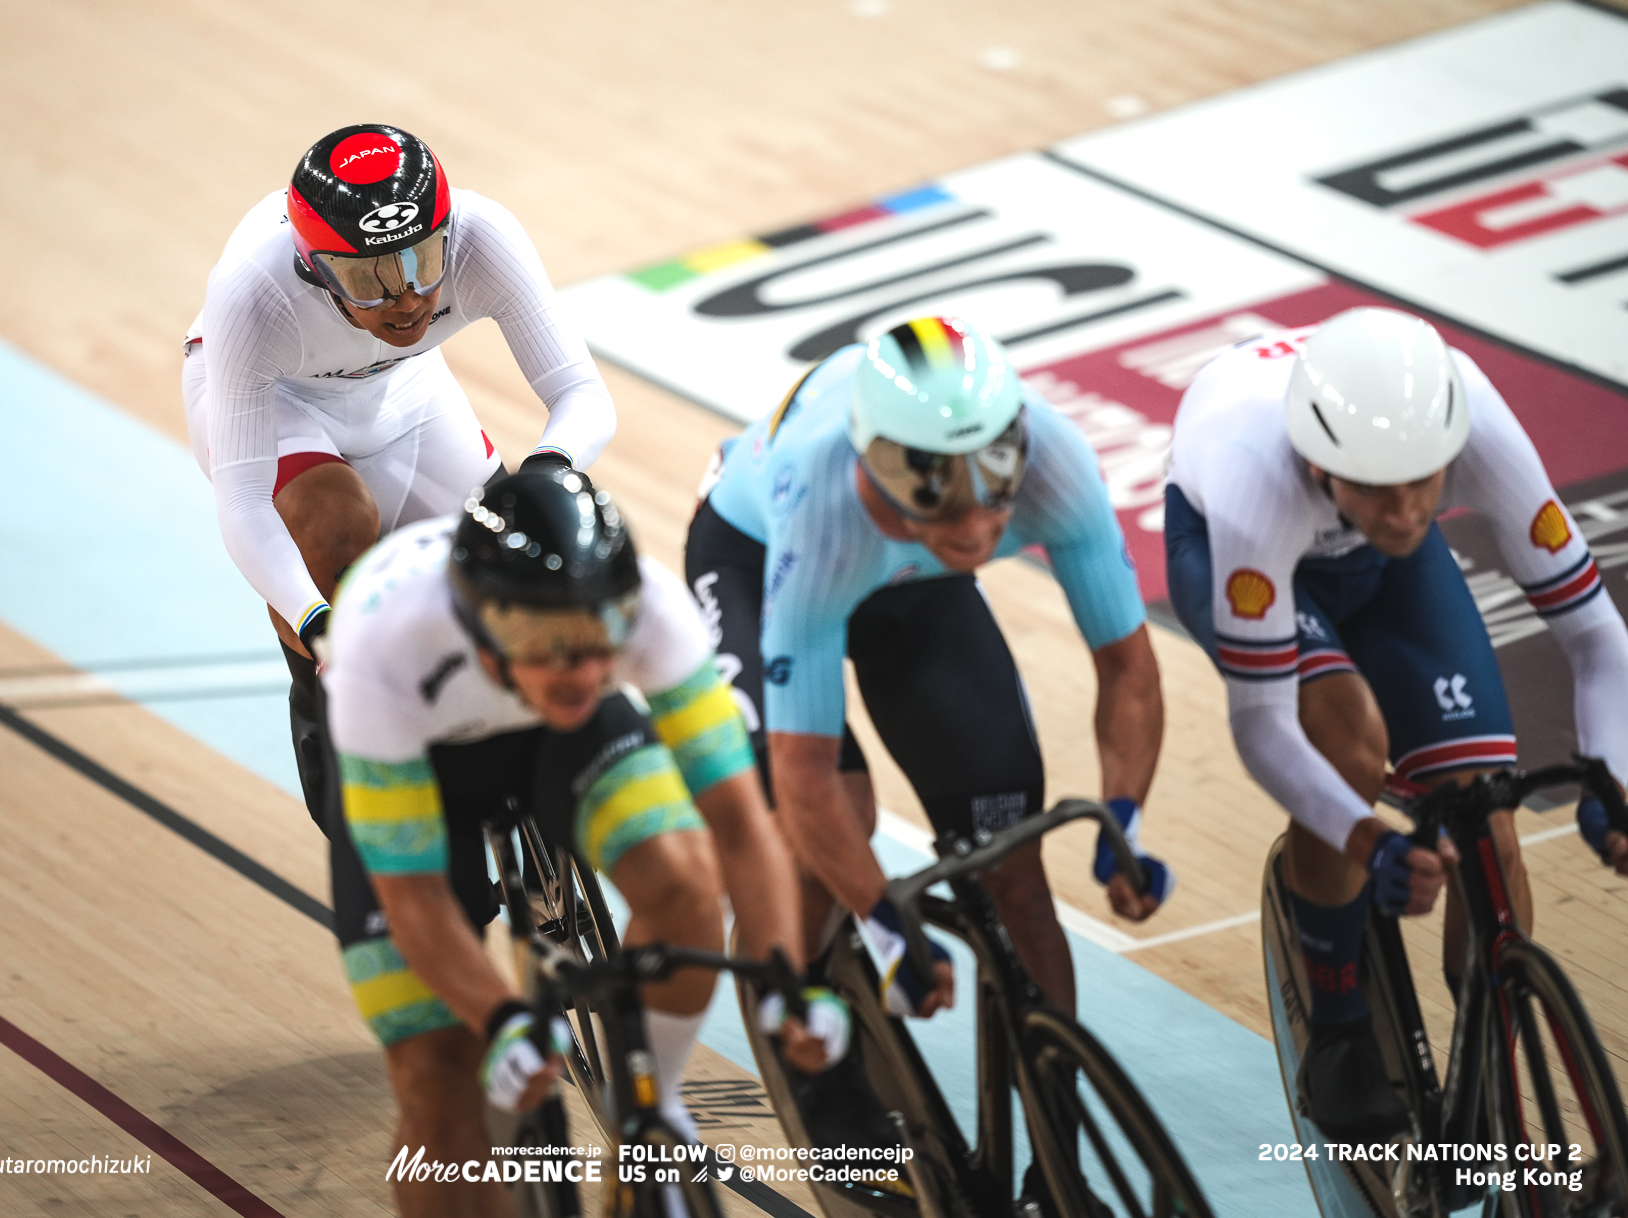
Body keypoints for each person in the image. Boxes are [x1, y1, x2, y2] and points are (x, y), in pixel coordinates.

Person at [685, 315, 1172, 1185]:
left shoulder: (1051, 462)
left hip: (913, 578)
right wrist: (880, 919)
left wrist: (1122, 820)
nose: (976, 514)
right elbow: (802, 775)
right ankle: (814, 1057)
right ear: (873, 461)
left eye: (993, 479)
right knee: (832, 824)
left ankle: (1056, 1155)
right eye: (935, 483)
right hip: (765, 563)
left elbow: (1129, 668)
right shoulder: (825, 500)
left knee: (1013, 870)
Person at [322, 469, 848, 1218]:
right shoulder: (386, 643)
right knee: (437, 1090)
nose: (578, 666)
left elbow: (739, 822)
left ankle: (650, 1106)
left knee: (685, 879)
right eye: (545, 641)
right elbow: (414, 895)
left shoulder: (654, 609)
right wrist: (499, 1018)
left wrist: (785, 983)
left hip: (562, 742)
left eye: (599, 634)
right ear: (482, 627)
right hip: (425, 765)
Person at [1163, 305, 1628, 1144]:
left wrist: (1612, 778)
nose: (1409, 505)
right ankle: (1339, 1026)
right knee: (1347, 744)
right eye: (1378, 483)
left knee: (1487, 814)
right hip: (1255, 555)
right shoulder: (1251, 475)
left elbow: (1598, 638)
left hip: (1381, 566)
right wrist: (1367, 840)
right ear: (1316, 458)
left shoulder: (1472, 420)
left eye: (1424, 477)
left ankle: (1487, 1062)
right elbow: (1264, 725)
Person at [180, 122, 616, 803]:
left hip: (405, 391)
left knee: (518, 557)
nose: (408, 296)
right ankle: (340, 745)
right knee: (334, 531)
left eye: (422, 261)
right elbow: (243, 505)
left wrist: (541, 477)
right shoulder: (253, 290)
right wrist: (315, 622)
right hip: (279, 403)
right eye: (369, 279)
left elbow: (581, 394)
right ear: (316, 268)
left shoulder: (482, 235)